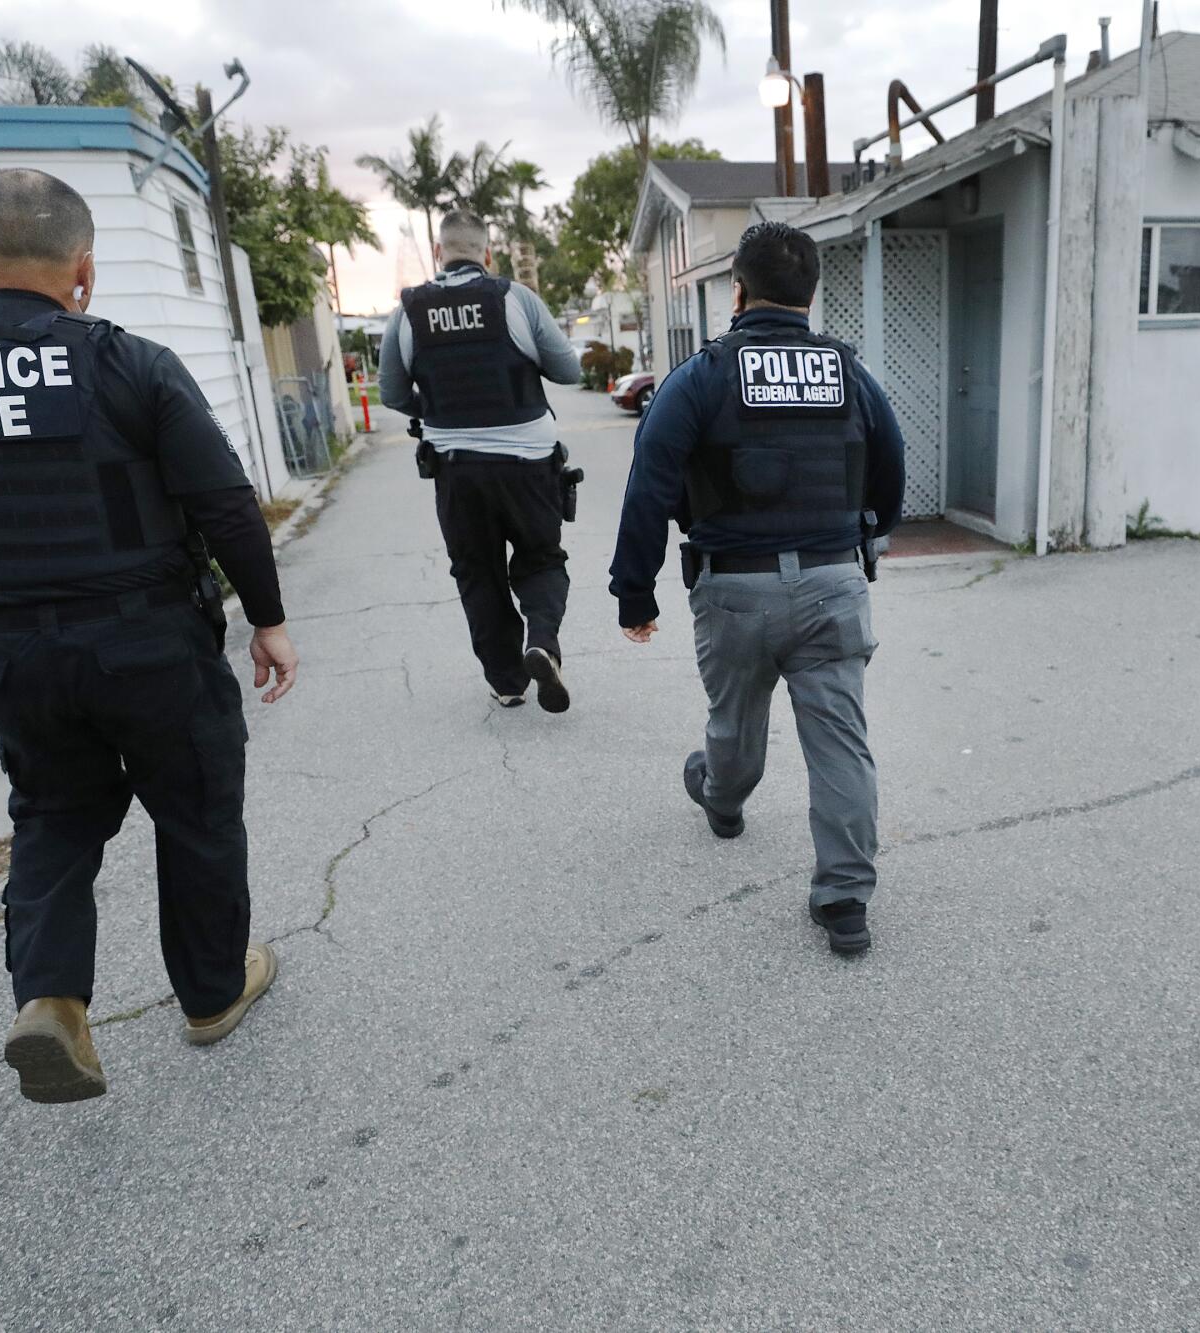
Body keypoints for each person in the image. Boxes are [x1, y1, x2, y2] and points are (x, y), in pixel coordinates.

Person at [0, 169, 297, 1105]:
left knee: (54, 813)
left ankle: (50, 996)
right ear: (84, 268)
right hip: (147, 642)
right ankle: (209, 991)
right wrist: (267, 618)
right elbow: (226, 505)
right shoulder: (127, 360)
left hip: (5, 650)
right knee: (195, 808)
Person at [609, 222, 905, 956]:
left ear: (736, 291)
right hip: (836, 582)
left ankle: (723, 799)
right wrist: (865, 540)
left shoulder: (704, 375)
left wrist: (634, 593)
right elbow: (891, 463)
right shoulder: (849, 372)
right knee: (841, 745)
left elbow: (650, 481)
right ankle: (844, 904)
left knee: (735, 720)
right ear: (810, 295)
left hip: (735, 589)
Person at [380, 209, 583, 711]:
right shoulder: (514, 298)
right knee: (540, 557)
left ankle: (508, 682)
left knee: (477, 572)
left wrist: (435, 409)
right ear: (487, 254)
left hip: (456, 467)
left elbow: (391, 393)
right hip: (530, 464)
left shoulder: (407, 312)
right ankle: (542, 641)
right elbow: (569, 369)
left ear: (438, 254)